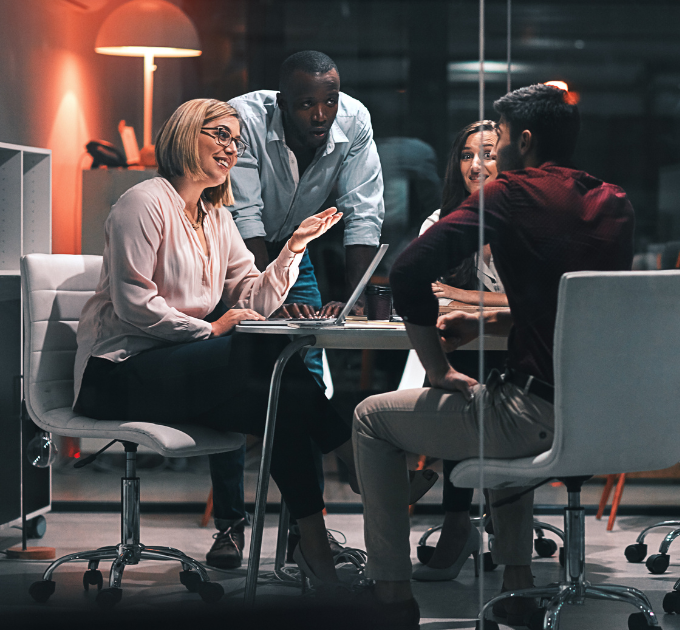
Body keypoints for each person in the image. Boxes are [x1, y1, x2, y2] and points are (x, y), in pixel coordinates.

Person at [353, 84, 635, 627]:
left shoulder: (509, 193)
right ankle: (517, 582)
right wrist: (487, 320)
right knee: (500, 390)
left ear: (523, 141)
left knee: (371, 420)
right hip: (604, 414)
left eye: (499, 139)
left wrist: (436, 367)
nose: (492, 153)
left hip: (534, 415)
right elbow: (576, 306)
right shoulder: (615, 201)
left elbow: (410, 272)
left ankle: (390, 593)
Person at [72, 98, 353, 590]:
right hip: (118, 372)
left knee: (280, 409)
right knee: (265, 354)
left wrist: (294, 248)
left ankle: (314, 545)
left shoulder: (216, 218)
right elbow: (135, 303)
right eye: (220, 134)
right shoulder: (143, 203)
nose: (232, 147)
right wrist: (213, 328)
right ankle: (354, 461)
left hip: (180, 368)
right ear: (185, 135)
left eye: (236, 139)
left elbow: (254, 297)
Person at [205, 50, 385, 569]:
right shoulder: (243, 120)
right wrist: (268, 301)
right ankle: (230, 528)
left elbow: (363, 212)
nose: (321, 114)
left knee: (301, 376)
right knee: (246, 374)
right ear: (282, 102)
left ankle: (301, 533)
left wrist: (353, 303)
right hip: (236, 248)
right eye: (307, 104)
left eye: (328, 101)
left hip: (296, 246)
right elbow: (247, 218)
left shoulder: (354, 121)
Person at [411, 120, 508, 582]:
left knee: (482, 386)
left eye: (488, 153)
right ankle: (460, 522)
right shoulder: (442, 223)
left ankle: (481, 524)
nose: (476, 164)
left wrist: (467, 299)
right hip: (465, 353)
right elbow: (429, 293)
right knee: (459, 380)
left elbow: (541, 302)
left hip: (524, 354)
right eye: (468, 155)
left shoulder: (524, 218)